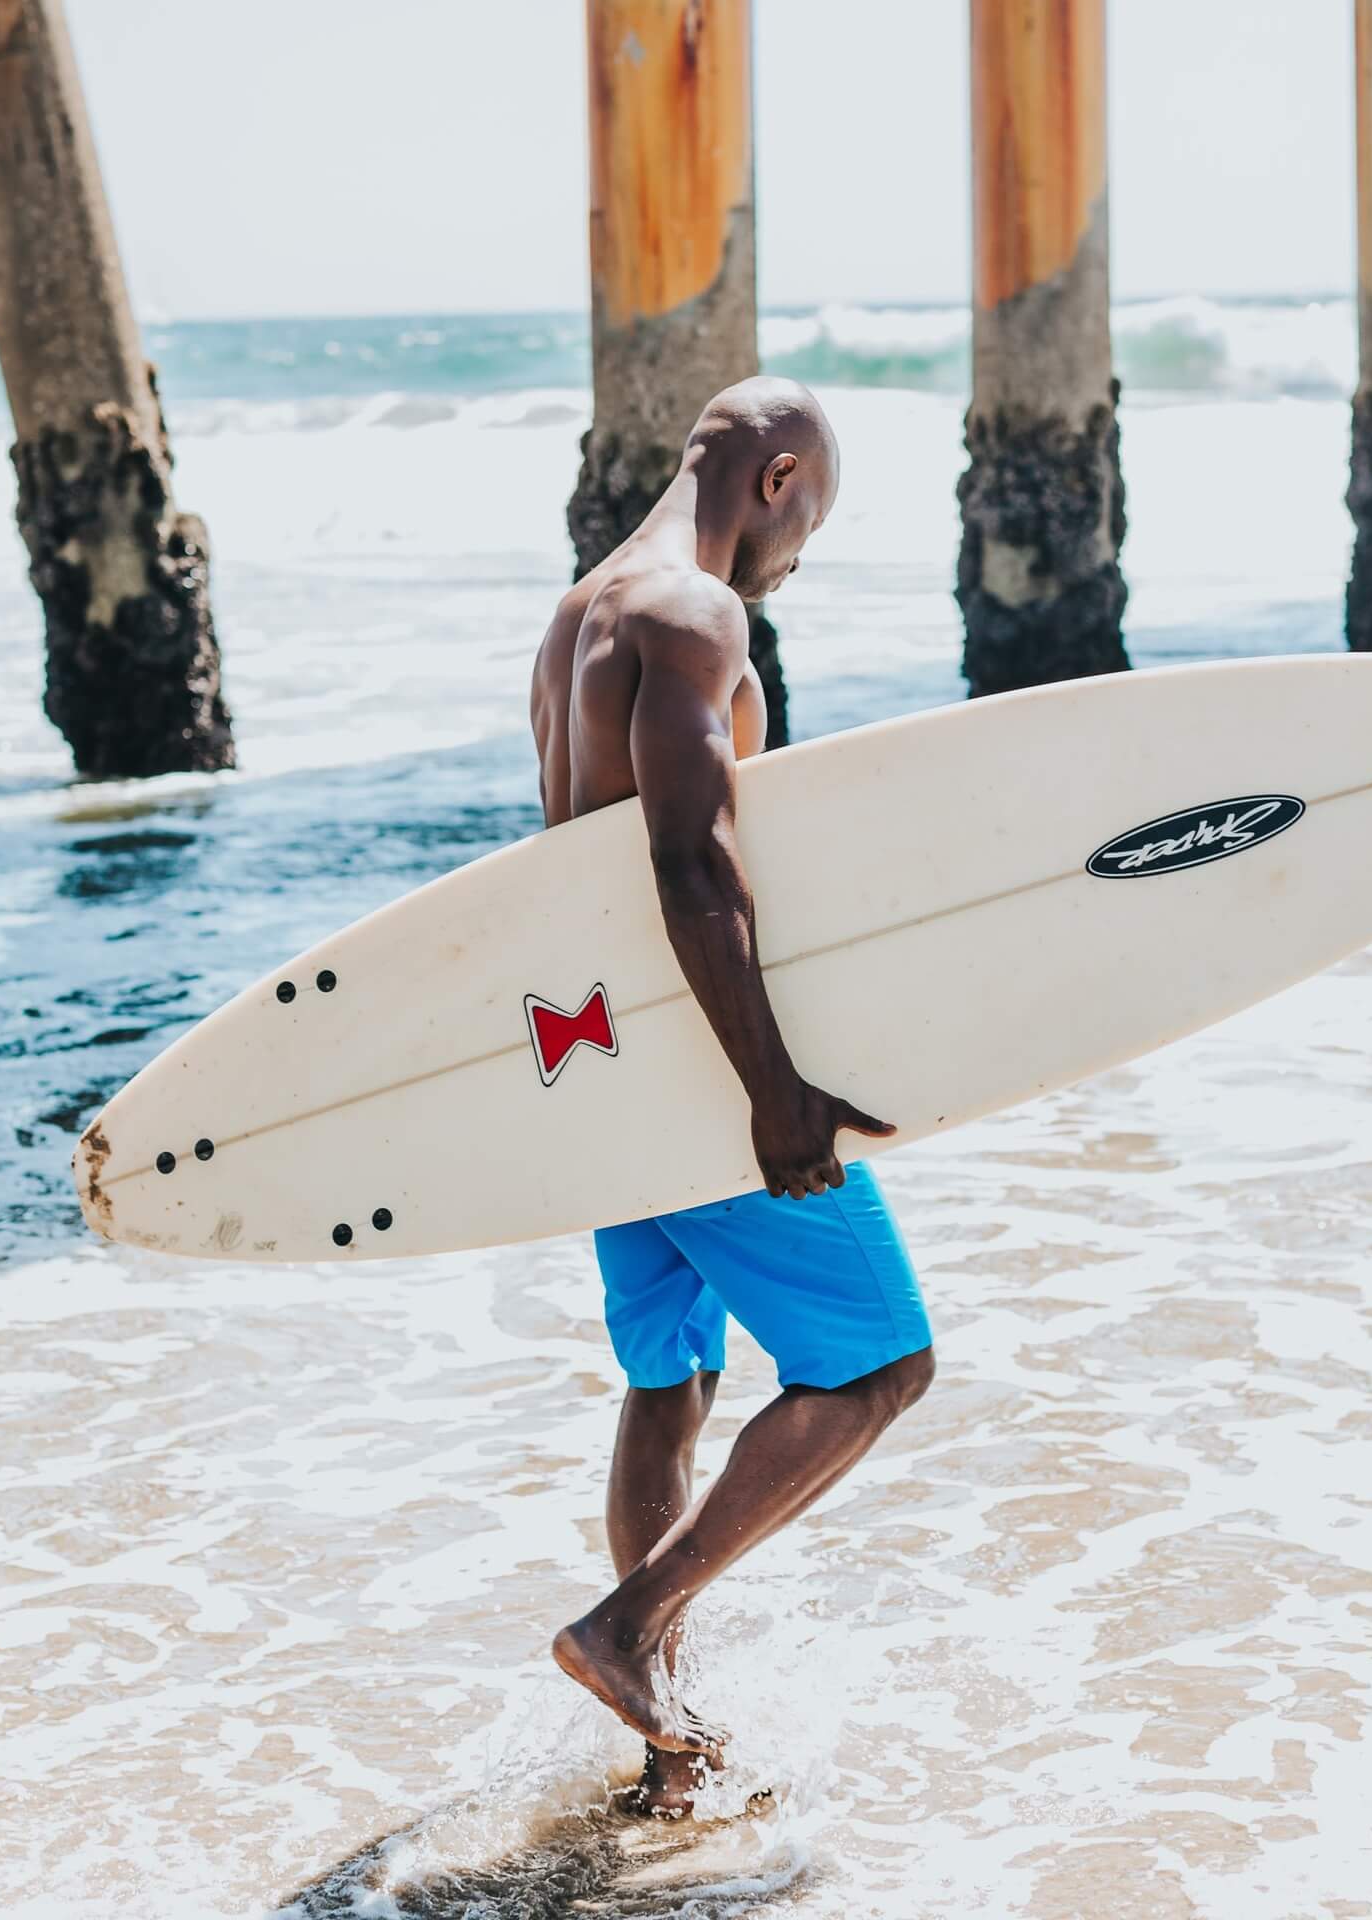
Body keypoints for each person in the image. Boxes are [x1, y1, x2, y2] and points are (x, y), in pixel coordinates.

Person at [529, 376, 936, 1816]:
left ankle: (661, 1743)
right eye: (808, 516)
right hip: (698, 1062)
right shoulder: (696, 616)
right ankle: (629, 1631)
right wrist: (776, 1094)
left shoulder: (581, 613)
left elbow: (563, 872)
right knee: (881, 1363)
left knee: (671, 1383)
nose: (801, 552)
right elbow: (690, 865)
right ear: (773, 477)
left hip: (601, 1061)